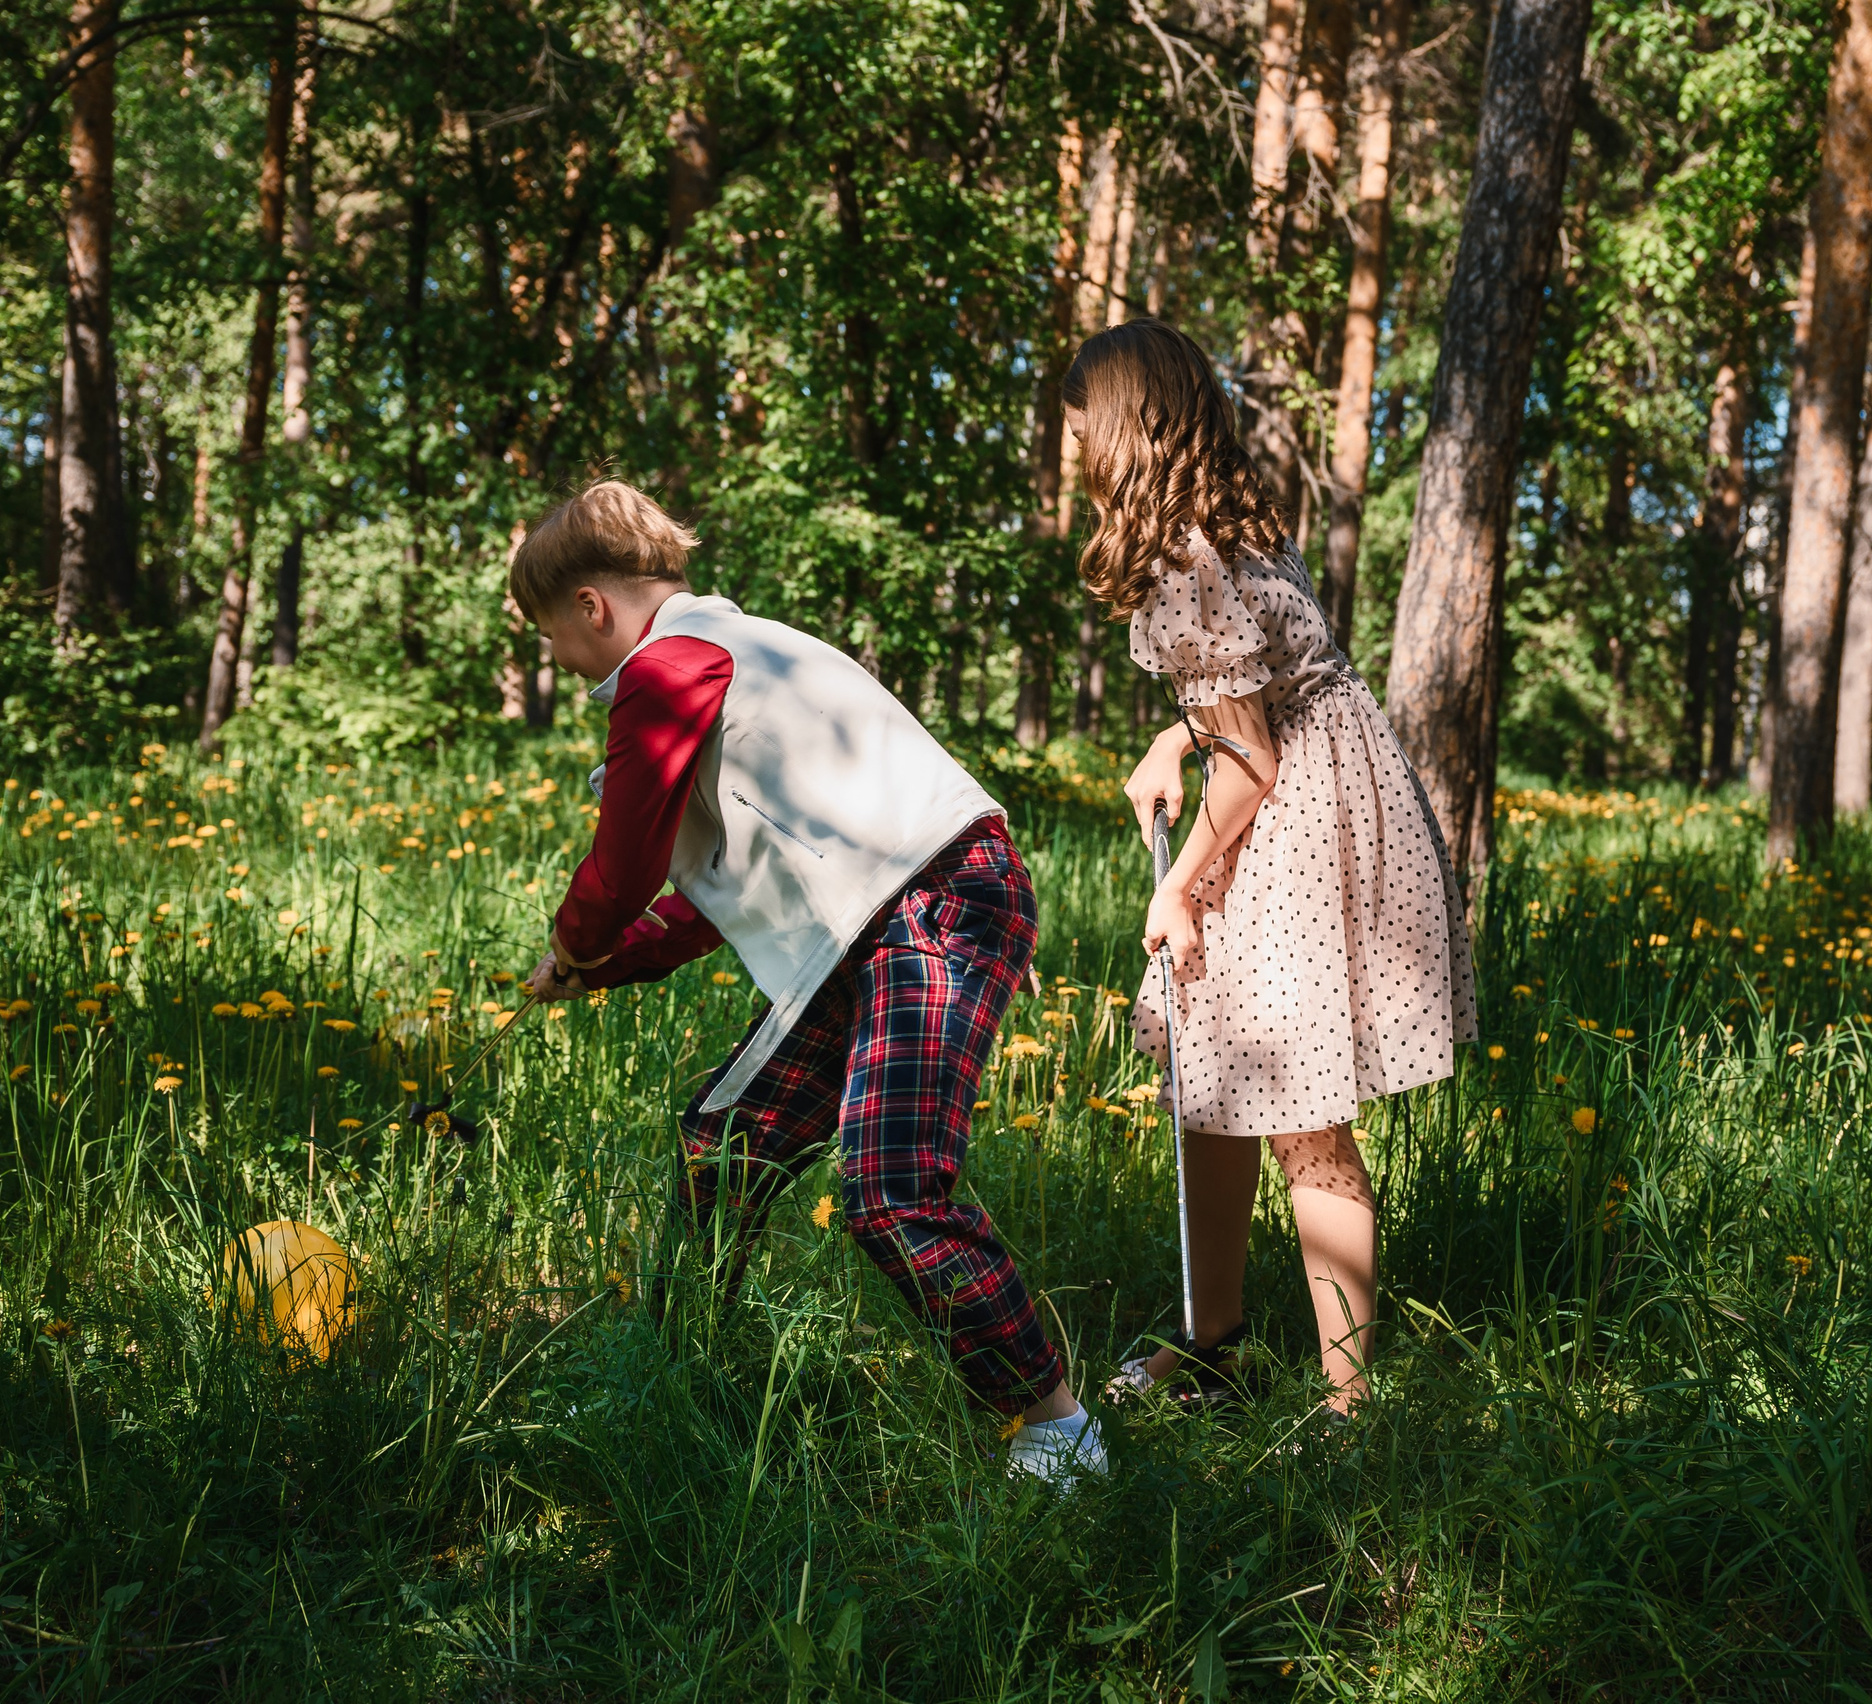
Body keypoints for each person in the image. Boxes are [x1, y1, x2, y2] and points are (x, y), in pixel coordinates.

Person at [512, 479, 1102, 1486]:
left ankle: (1058, 1430)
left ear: (591, 608)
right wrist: (612, 964)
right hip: (876, 920)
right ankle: (670, 1370)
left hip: (936, 905)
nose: (560, 666)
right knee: (724, 1142)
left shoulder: (672, 669)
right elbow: (724, 890)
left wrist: (575, 945)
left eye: (550, 639)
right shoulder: (742, 657)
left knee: (889, 1193)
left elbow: (624, 868)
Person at [1064, 321, 1477, 1418]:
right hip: (1330, 790)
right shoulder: (1232, 529)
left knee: (1302, 1114)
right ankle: (1214, 1344)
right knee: (1212, 1080)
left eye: (1076, 434)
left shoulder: (1183, 564)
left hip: (1299, 824)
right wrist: (1175, 739)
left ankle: (1348, 1413)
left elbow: (1248, 760)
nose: (1072, 459)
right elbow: (1252, 704)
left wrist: (1179, 884)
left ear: (1120, 432)